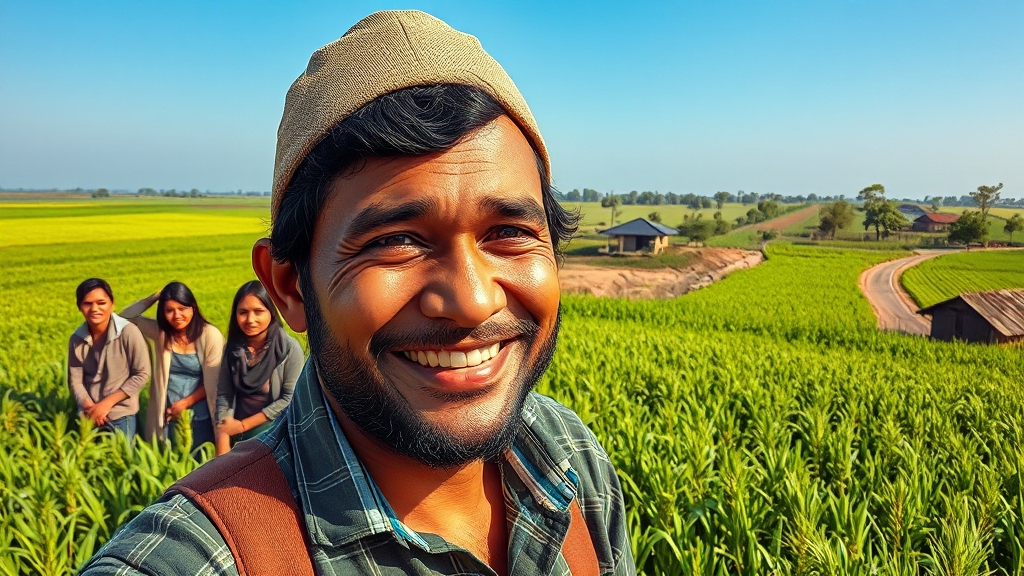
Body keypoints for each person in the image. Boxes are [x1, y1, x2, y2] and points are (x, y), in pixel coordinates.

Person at [81, 10, 635, 575]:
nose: (472, 300)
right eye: (396, 241)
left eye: (510, 233)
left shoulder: (567, 456)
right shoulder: (201, 558)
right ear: (289, 286)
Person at [120, 282, 223, 452]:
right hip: (167, 415)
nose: (177, 315)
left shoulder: (210, 336)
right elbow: (123, 318)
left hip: (200, 415)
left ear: (193, 308)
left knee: (200, 461)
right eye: (169, 310)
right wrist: (155, 296)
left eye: (182, 308)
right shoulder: (161, 333)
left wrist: (184, 403)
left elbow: (215, 380)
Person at [214, 281, 303, 455]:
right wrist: (223, 434)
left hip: (274, 430)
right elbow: (225, 394)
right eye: (243, 312)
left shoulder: (289, 349)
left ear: (271, 312)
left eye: (258, 312)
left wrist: (243, 425)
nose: (250, 320)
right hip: (234, 430)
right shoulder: (233, 349)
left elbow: (288, 400)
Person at [67, 278, 150, 440]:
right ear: (79, 306)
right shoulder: (77, 339)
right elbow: (75, 381)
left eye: (101, 302)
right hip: (89, 416)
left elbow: (142, 374)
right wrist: (91, 408)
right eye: (87, 304)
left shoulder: (128, 332)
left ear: (112, 304)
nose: (94, 309)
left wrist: (106, 404)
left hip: (121, 415)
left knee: (122, 463)